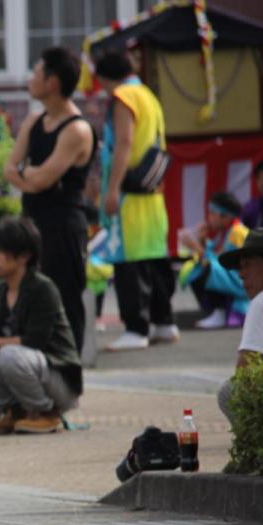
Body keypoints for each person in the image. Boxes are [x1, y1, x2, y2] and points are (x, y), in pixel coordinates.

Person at [0, 217, 83, 435]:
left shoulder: (43, 288)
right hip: (23, 368)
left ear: (24, 256)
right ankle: (15, 410)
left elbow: (33, 342)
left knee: (10, 354)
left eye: (1, 251)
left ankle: (45, 413)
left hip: (59, 381)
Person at [2, 46, 95, 352]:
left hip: (63, 227)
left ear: (52, 82)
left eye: (37, 72)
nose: (31, 78)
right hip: (33, 224)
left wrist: (27, 174)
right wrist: (30, 176)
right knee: (30, 294)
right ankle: (37, 365)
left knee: (64, 297)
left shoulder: (77, 129)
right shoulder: (34, 120)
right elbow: (9, 169)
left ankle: (69, 366)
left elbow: (41, 179)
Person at [95, 50, 175, 351]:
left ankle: (135, 327)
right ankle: (164, 322)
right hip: (151, 192)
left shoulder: (124, 97)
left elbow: (124, 141)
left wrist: (112, 189)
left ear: (105, 78)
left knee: (129, 262)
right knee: (154, 259)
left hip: (129, 193)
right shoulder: (147, 95)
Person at [215, 228, 263, 425]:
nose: (241, 275)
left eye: (248, 265)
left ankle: (259, 445)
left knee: (230, 391)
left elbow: (245, 373)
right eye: (240, 268)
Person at [178, 191, 250, 329]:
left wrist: (196, 247)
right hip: (233, 279)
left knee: (207, 269)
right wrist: (201, 240)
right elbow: (213, 253)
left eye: (212, 213)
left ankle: (219, 312)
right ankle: (216, 311)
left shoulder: (237, 232)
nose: (209, 217)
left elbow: (223, 262)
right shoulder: (225, 232)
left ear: (225, 216)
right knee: (193, 269)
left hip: (242, 281)